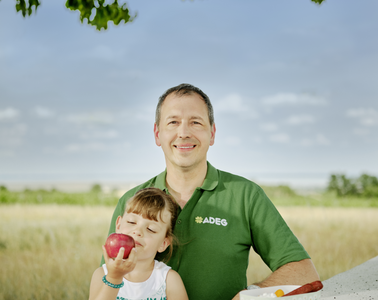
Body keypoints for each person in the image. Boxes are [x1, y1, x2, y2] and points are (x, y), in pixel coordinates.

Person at [103, 83, 320, 300]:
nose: (184, 132)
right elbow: (108, 279)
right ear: (157, 133)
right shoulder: (132, 201)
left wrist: (248, 296)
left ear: (212, 133)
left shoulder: (246, 195)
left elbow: (304, 272)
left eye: (195, 122)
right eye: (173, 122)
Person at [90, 187, 188, 300]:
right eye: (131, 222)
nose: (138, 231)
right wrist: (113, 278)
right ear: (118, 225)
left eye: (151, 229)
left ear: (163, 243)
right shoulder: (102, 274)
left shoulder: (168, 279)